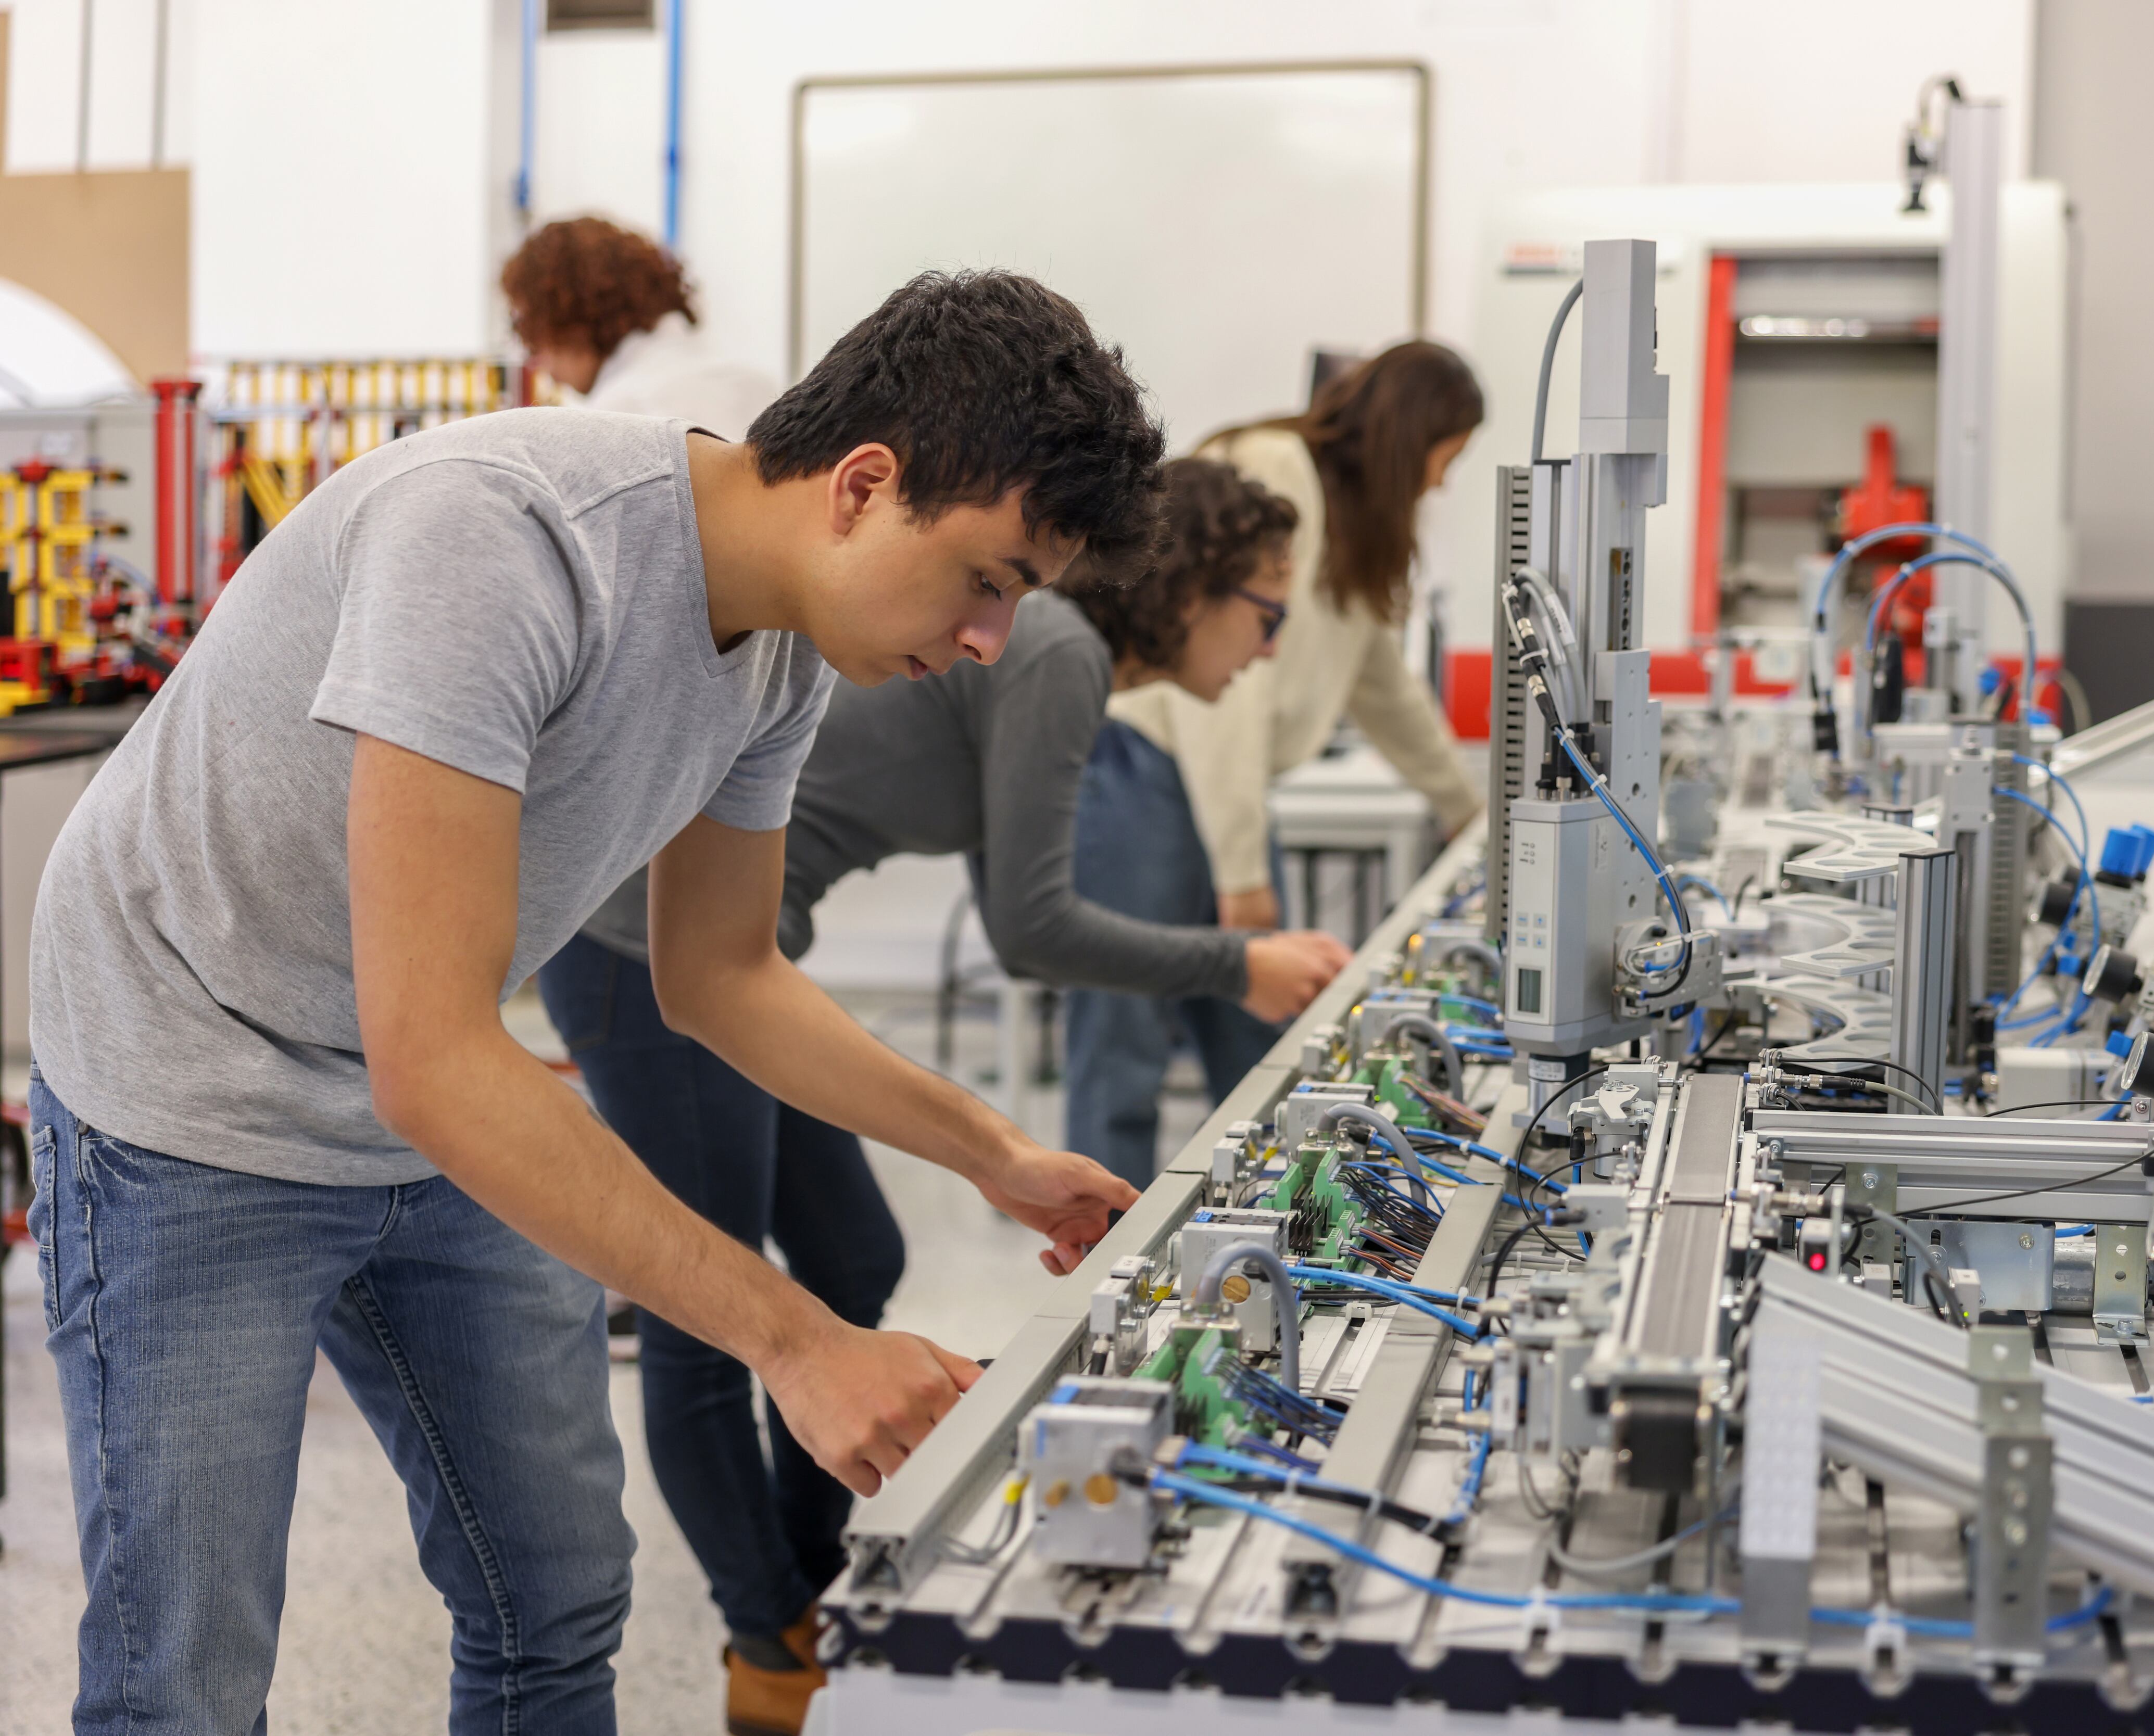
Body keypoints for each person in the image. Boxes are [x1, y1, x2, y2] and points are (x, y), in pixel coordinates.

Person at [24, 269, 1163, 1735]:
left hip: (421, 1094)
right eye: (991, 579)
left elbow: (723, 974)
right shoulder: (502, 538)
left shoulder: (781, 656)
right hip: (184, 1085)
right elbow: (431, 1057)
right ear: (864, 485)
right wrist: (800, 1338)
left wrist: (991, 1153)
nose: (991, 640)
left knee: (553, 1596)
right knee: (186, 1669)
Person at [540, 457, 1348, 1727]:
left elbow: (1014, 905)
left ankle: (806, 1583)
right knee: (710, 1320)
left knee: (854, 1254)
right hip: (635, 949)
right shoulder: (1061, 651)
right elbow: (1033, 931)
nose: (1272, 649)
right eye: (1268, 612)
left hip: (742, 956)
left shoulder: (1053, 659)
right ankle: (774, 1640)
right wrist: (1234, 963)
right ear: (1195, 590)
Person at [1069, 341, 1487, 1177]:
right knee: (1125, 1036)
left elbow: (1380, 682)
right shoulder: (1274, 467)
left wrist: (1469, 811)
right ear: (1415, 436)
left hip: (1225, 793)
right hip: (1147, 765)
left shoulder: (1352, 523)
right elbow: (1222, 694)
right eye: (1447, 457)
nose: (1441, 483)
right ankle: (1101, 1251)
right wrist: (1240, 865)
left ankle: (1268, 1233)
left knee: (1267, 1030)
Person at [503, 214, 778, 435]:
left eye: (533, 335)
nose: (537, 360)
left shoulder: (618, 416)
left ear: (572, 320)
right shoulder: (759, 386)